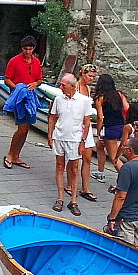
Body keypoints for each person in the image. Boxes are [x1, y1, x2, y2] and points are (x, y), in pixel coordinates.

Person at [47, 73, 93, 216]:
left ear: (72, 86)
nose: (60, 87)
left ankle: (73, 200)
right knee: (60, 166)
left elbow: (87, 122)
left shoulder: (84, 100)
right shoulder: (58, 99)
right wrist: (50, 135)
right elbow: (52, 118)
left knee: (74, 169)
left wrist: (83, 141)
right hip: (60, 137)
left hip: (75, 139)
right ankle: (60, 198)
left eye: (63, 85)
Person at [104, 138, 138, 250]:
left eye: (124, 146)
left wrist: (112, 218)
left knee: (125, 250)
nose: (122, 148)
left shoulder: (127, 168)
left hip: (128, 218)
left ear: (130, 150)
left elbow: (120, 197)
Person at [3, 36, 43, 169]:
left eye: (30, 49)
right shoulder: (14, 61)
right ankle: (10, 155)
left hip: (30, 98)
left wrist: (35, 84)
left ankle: (16, 156)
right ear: (22, 48)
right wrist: (18, 89)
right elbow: (7, 79)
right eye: (25, 49)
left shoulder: (36, 62)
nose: (28, 52)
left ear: (34, 49)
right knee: (21, 128)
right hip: (19, 98)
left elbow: (39, 79)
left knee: (26, 129)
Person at [94, 74, 129, 175]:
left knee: (114, 158)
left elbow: (100, 117)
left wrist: (99, 132)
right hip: (121, 125)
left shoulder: (100, 98)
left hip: (110, 127)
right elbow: (127, 108)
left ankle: (126, 177)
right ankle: (100, 172)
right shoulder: (119, 94)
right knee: (99, 146)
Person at [76, 64, 101, 193]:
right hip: (77, 125)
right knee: (74, 158)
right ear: (82, 74)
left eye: (93, 77)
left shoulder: (88, 88)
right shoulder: (76, 87)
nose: (91, 78)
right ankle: (71, 184)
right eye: (90, 76)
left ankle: (85, 187)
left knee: (87, 158)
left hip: (87, 125)